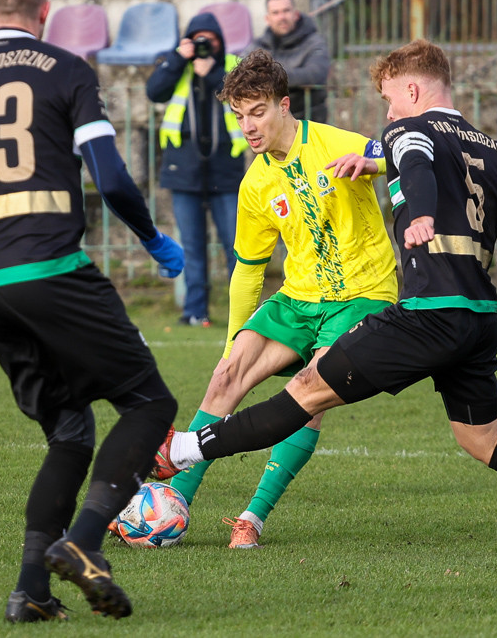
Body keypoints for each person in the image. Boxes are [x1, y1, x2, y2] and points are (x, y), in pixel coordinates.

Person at [155, 39, 497, 555]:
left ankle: (181, 450)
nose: (386, 112)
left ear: (411, 88)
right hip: (479, 319)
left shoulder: (408, 129)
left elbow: (413, 161)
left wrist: (423, 210)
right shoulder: (488, 147)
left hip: (425, 316)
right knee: (482, 440)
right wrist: (484, 213)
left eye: (388, 99)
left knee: (309, 390)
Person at [0, 0, 185, 624]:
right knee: (148, 402)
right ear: (45, 11)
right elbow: (110, 180)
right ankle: (84, 544)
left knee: (69, 430)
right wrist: (151, 239)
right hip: (50, 269)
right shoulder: (64, 70)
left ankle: (31, 591)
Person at [162, 49, 397, 549]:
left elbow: (398, 156)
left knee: (309, 392)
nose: (248, 126)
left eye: (257, 112)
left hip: (362, 294)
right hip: (299, 297)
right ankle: (175, 502)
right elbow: (247, 272)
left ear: (284, 105)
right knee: (227, 375)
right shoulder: (255, 183)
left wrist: (374, 162)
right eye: (239, 115)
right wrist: (232, 344)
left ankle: (253, 515)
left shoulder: (335, 142)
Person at [147, 12, 248, 327]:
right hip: (184, 166)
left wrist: (212, 73)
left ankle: (242, 315)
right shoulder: (175, 63)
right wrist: (180, 59)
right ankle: (195, 311)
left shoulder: (233, 66)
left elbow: (244, 94)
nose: (205, 44)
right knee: (191, 245)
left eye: (211, 39)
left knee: (236, 245)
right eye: (198, 38)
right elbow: (154, 91)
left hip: (225, 167)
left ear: (220, 41)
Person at [247, 0, 331, 123]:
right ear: (267, 19)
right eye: (276, 13)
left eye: (286, 11)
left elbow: (317, 74)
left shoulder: (314, 41)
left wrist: (270, 76)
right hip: (270, 124)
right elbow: (243, 77)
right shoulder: (258, 47)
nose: (282, 17)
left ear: (296, 14)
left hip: (309, 122)